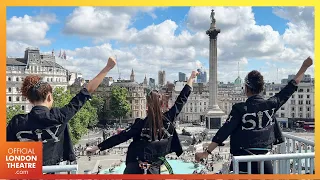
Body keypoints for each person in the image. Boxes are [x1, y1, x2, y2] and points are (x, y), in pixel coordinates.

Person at [195, 57, 313, 174]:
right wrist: (304, 67)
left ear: (246, 88)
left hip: (242, 162)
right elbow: (290, 88)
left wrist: (206, 153)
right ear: (262, 88)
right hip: (265, 162)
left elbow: (223, 133)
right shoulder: (271, 104)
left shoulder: (239, 109)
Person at [6, 57, 116, 167]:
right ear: (49, 97)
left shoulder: (16, 122)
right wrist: (107, 67)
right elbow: (87, 91)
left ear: (30, 100)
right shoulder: (59, 116)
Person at [86, 71, 199, 174]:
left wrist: (97, 148)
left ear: (147, 106)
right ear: (162, 105)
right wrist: (191, 78)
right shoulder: (169, 119)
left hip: (134, 168)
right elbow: (181, 99)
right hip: (154, 170)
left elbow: (120, 138)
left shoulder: (140, 124)